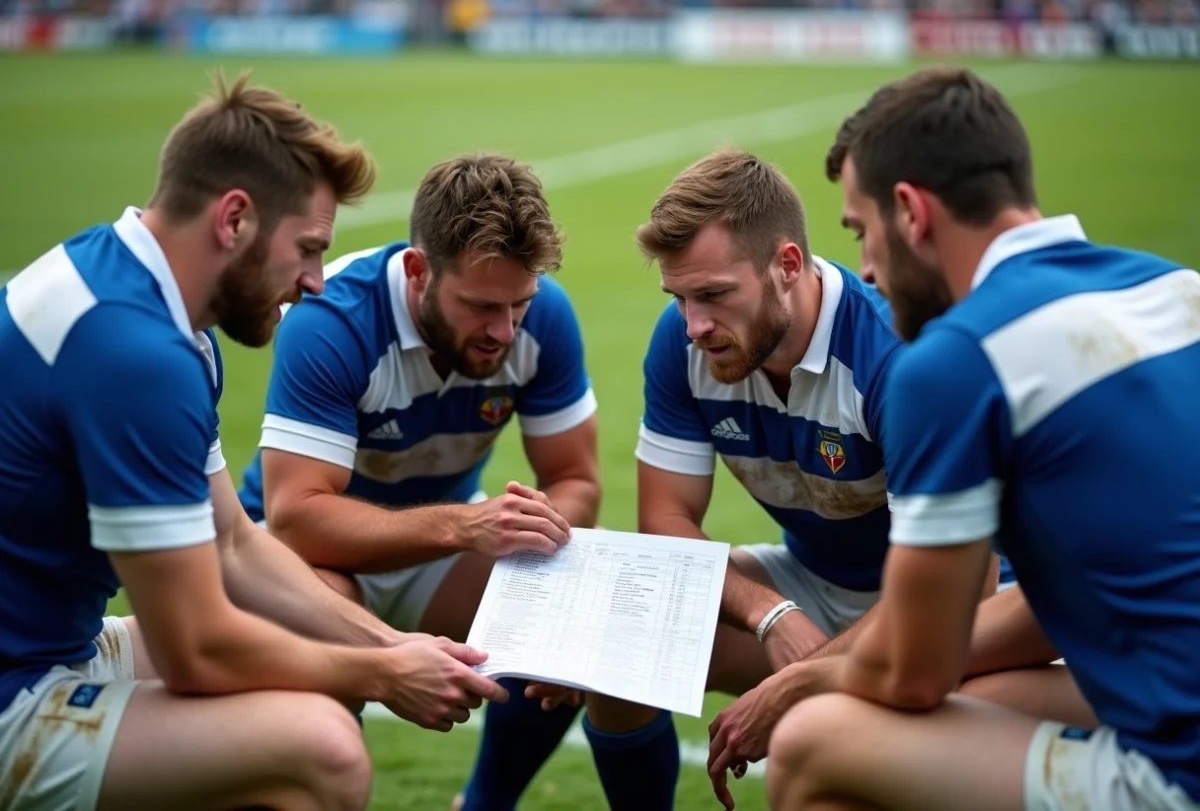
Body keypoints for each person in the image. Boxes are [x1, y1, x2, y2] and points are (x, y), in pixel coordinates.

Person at [0, 72, 509, 811]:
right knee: (323, 749)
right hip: (17, 685)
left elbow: (233, 540)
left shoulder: (137, 293)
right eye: (306, 248)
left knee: (303, 680)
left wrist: (385, 644)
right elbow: (194, 651)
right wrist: (382, 674)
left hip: (48, 644)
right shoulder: (134, 354)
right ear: (234, 218)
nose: (313, 282)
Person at [766, 66, 1200, 811]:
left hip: (1179, 769)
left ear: (911, 212)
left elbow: (914, 670)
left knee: (812, 740)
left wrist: (806, 677)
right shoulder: (1175, 288)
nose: (865, 270)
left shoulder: (958, 360)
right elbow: (1077, 594)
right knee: (991, 693)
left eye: (862, 232)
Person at [531, 146, 1012, 811]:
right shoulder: (684, 343)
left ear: (787, 265)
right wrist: (767, 610)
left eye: (714, 295)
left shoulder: (896, 357)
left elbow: (963, 588)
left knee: (862, 755)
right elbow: (666, 523)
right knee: (619, 629)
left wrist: (807, 678)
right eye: (679, 297)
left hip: (955, 604)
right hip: (814, 584)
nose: (694, 324)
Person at [234, 151, 602, 811]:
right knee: (323, 634)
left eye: (519, 303)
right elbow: (297, 516)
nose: (504, 329)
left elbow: (576, 478)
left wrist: (540, 523)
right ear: (417, 270)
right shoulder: (334, 321)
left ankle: (484, 804)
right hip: (299, 551)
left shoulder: (543, 316)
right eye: (482, 305)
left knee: (567, 624)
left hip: (432, 545)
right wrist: (466, 525)